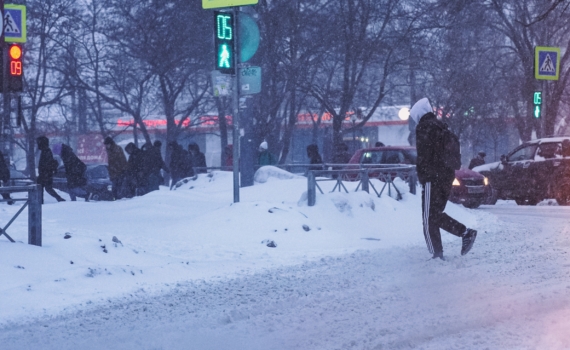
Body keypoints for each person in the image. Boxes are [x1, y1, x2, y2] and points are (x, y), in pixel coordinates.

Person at [411, 97, 477, 260]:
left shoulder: (424, 128)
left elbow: (423, 157)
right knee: (435, 214)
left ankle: (440, 250)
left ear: (418, 115)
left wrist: (423, 175)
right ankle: (458, 237)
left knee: (428, 217)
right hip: (446, 177)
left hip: (432, 178)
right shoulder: (441, 127)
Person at [36, 136, 65, 203]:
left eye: (38, 143)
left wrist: (44, 173)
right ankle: (58, 199)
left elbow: (47, 164)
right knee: (46, 188)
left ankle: (41, 202)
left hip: (45, 175)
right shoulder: (46, 151)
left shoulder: (46, 151)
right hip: (45, 174)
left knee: (44, 188)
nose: (38, 145)